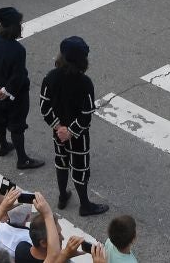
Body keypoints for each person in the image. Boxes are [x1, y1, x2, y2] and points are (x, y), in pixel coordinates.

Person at [40, 36, 109, 216]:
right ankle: (84, 205)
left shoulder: (50, 77)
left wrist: (59, 128)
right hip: (78, 137)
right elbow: (86, 114)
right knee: (80, 169)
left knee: (61, 163)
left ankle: (63, 197)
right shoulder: (85, 83)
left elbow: (44, 106)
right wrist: (70, 131)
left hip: (58, 134)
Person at [0, 7, 44, 170]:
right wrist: (8, 91)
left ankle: (4, 146)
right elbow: (18, 76)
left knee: (0, 119)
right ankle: (22, 159)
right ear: (15, 28)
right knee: (17, 126)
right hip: (16, 95)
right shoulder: (18, 50)